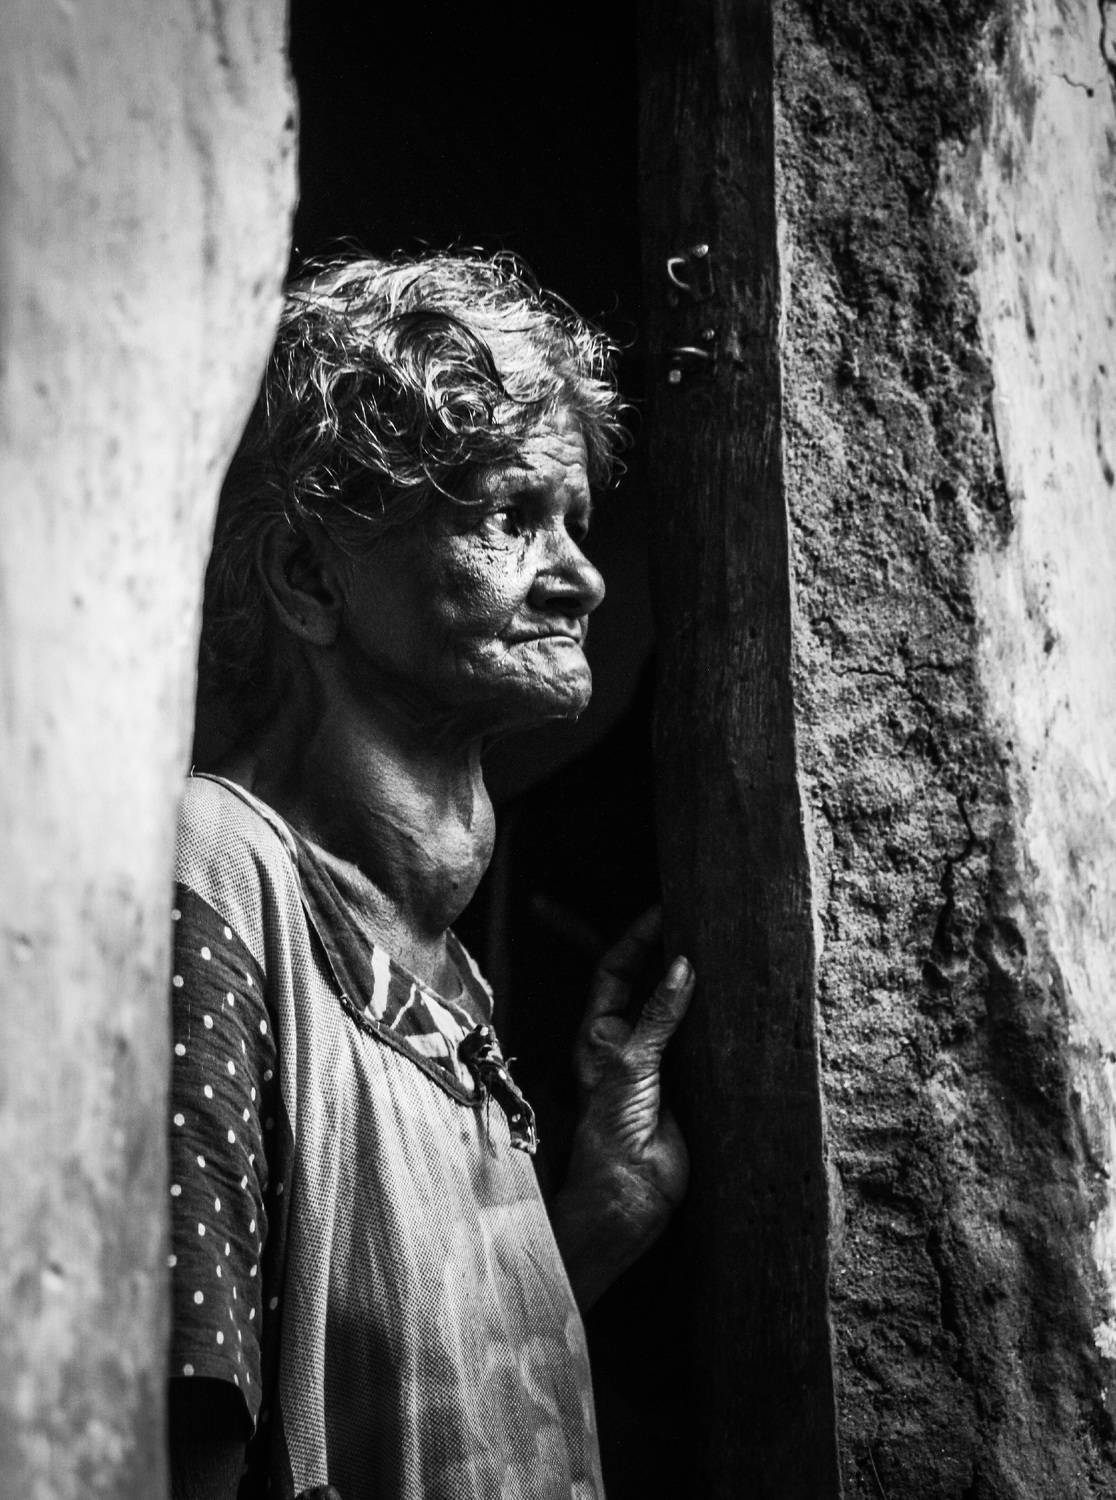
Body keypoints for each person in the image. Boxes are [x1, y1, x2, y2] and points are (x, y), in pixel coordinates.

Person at [166, 252, 695, 1500]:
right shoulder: (220, 874)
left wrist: (601, 1216)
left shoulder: (442, 968)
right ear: (311, 579)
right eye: (509, 515)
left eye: (574, 522)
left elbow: (426, 1409)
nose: (581, 578)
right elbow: (186, 1429)